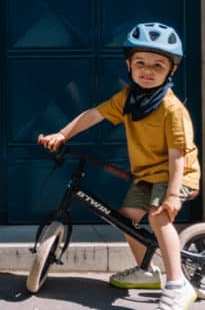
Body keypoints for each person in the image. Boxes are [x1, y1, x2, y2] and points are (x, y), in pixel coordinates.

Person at [38, 22, 200, 310]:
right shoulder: (128, 99)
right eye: (140, 63)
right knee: (125, 219)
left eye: (158, 65)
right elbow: (94, 115)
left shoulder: (172, 109)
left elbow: (178, 157)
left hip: (178, 175)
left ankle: (178, 285)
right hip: (149, 176)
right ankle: (147, 272)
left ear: (171, 70)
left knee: (158, 215)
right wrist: (62, 134)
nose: (147, 71)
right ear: (128, 64)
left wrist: (174, 195)